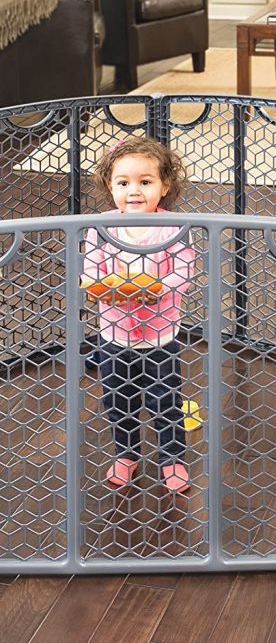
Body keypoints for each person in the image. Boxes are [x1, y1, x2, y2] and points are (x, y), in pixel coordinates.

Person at [82, 137, 196, 493]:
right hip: (114, 334)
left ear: (164, 186)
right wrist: (102, 285)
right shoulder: (101, 227)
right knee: (118, 398)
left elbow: (185, 269)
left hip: (159, 335)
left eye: (145, 182)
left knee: (165, 399)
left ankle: (172, 458)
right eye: (124, 182)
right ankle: (126, 453)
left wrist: (158, 286)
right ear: (109, 186)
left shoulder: (173, 226)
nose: (134, 190)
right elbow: (89, 269)